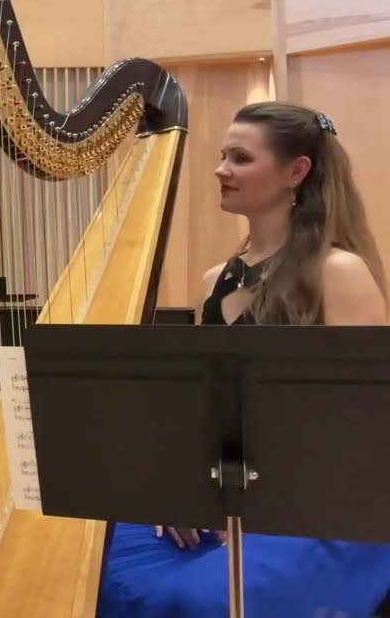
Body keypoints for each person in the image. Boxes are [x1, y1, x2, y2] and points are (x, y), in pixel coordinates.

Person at [96, 102, 390, 617]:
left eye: (240, 158)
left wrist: (254, 512)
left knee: (201, 599)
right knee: (98, 564)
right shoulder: (215, 280)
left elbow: (363, 428)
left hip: (325, 506)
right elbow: (200, 415)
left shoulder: (340, 272)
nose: (220, 169)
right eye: (222, 155)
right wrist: (178, 492)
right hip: (222, 496)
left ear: (295, 171)